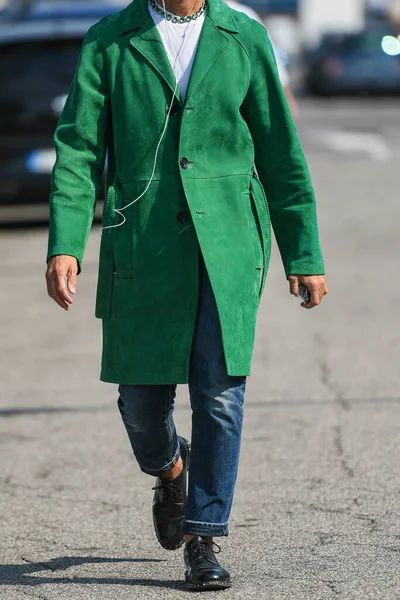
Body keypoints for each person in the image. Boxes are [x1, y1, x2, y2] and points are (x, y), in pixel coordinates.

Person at [45, 0, 328, 591]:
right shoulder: (110, 40)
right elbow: (77, 148)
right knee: (142, 403)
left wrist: (303, 253)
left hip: (227, 242)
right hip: (143, 244)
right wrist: (66, 242)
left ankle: (205, 537)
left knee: (220, 394)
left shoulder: (242, 36)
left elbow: (281, 152)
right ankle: (171, 466)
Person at [224, 0, 299, 118]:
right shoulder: (243, 15)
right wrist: (288, 99)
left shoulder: (198, 15)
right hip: (241, 107)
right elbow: (272, 62)